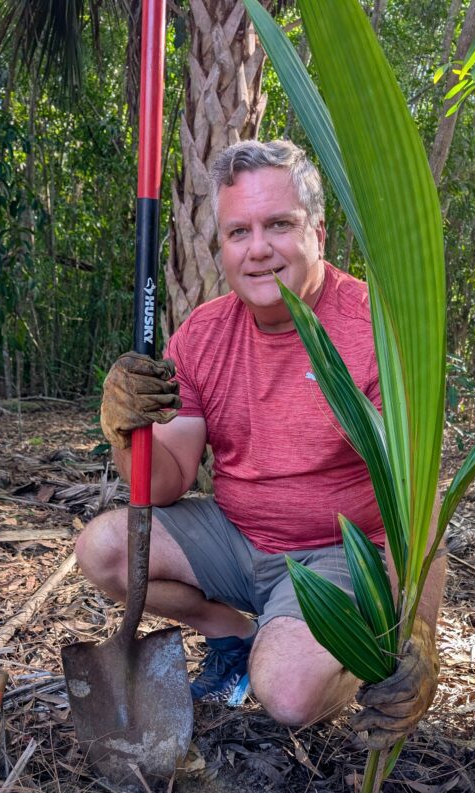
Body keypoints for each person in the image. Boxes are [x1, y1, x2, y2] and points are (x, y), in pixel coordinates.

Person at [75, 140, 445, 748]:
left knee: (289, 694)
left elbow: (422, 498)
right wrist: (126, 429)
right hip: (238, 536)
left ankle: (355, 639)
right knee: (105, 548)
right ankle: (233, 631)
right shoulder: (202, 335)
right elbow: (162, 484)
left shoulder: (374, 329)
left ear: (318, 232)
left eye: (279, 225)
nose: (259, 249)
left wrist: (420, 631)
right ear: (221, 246)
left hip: (338, 556)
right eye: (238, 231)